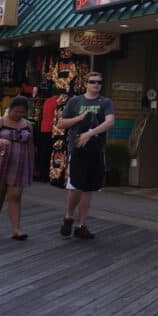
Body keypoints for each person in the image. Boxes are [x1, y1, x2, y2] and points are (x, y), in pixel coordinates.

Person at [58, 73, 114, 239]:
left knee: (89, 188)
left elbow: (110, 122)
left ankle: (81, 224)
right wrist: (80, 118)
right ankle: (68, 215)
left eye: (99, 82)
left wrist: (90, 133)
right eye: (92, 82)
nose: (96, 85)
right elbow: (61, 123)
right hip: (77, 149)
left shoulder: (105, 102)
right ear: (85, 84)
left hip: (95, 149)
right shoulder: (75, 101)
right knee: (75, 185)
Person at [0, 96, 35, 240]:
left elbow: (30, 145)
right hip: (0, 163)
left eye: (22, 112)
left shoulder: (28, 125)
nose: (19, 115)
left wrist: (32, 165)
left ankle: (16, 229)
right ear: (10, 109)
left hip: (20, 164)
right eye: (16, 111)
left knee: (15, 196)